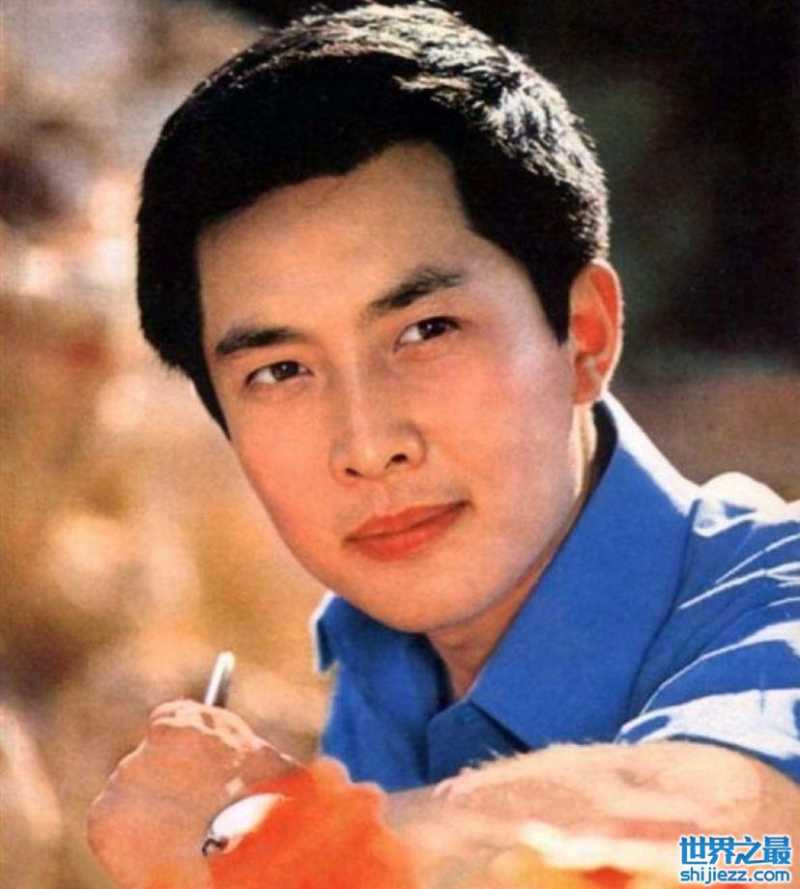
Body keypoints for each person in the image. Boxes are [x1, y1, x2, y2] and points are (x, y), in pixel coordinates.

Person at [88, 3, 800, 886]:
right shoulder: (379, 661)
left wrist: (280, 835)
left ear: (585, 335)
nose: (367, 444)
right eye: (279, 370)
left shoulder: (777, 597)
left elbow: (752, 849)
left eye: (426, 331)